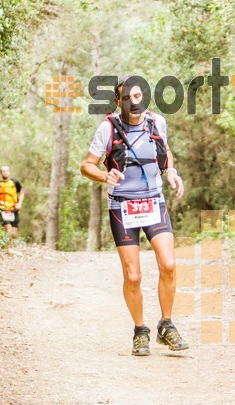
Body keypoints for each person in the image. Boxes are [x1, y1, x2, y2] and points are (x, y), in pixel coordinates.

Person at [80, 74, 189, 356]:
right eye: (126, 98)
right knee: (133, 275)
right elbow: (86, 165)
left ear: (144, 97)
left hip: (154, 201)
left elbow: (165, 152)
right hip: (122, 207)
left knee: (168, 264)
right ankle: (140, 331)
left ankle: (166, 324)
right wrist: (105, 176)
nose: (132, 102)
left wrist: (171, 172)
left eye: (137, 96)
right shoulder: (107, 129)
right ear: (118, 101)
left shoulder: (157, 122)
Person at [0, 165, 24, 238]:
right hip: (2, 210)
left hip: (13, 210)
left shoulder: (15, 183)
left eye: (7, 171)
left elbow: (22, 192)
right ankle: (7, 247)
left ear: (10, 172)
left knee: (14, 234)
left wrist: (20, 203)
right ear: (1, 173)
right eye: (3, 171)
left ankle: (10, 247)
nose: (5, 173)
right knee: (9, 230)